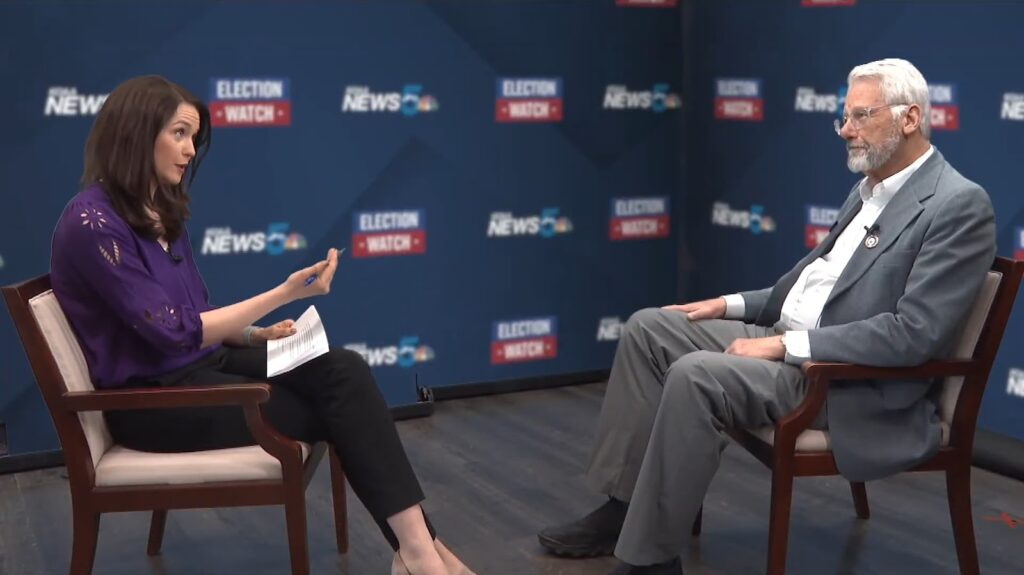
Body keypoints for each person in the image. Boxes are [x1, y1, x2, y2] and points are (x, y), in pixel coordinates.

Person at [538, 58, 996, 574]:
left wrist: (782, 347)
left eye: (860, 116)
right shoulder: (869, 188)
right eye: (842, 117)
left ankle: (649, 559)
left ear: (909, 119)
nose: (845, 130)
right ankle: (622, 510)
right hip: (791, 342)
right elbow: (810, 287)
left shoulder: (958, 206)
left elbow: (913, 335)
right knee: (650, 328)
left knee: (696, 375)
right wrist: (731, 305)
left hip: (843, 384)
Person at [49, 75, 474, 575]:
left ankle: (417, 551)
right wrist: (286, 292)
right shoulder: (92, 223)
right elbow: (171, 332)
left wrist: (255, 335)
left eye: (193, 138)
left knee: (342, 369)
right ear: (137, 133)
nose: (189, 151)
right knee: (336, 403)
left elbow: (192, 318)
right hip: (155, 402)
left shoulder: (159, 209)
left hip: (202, 366)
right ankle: (425, 554)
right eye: (179, 134)